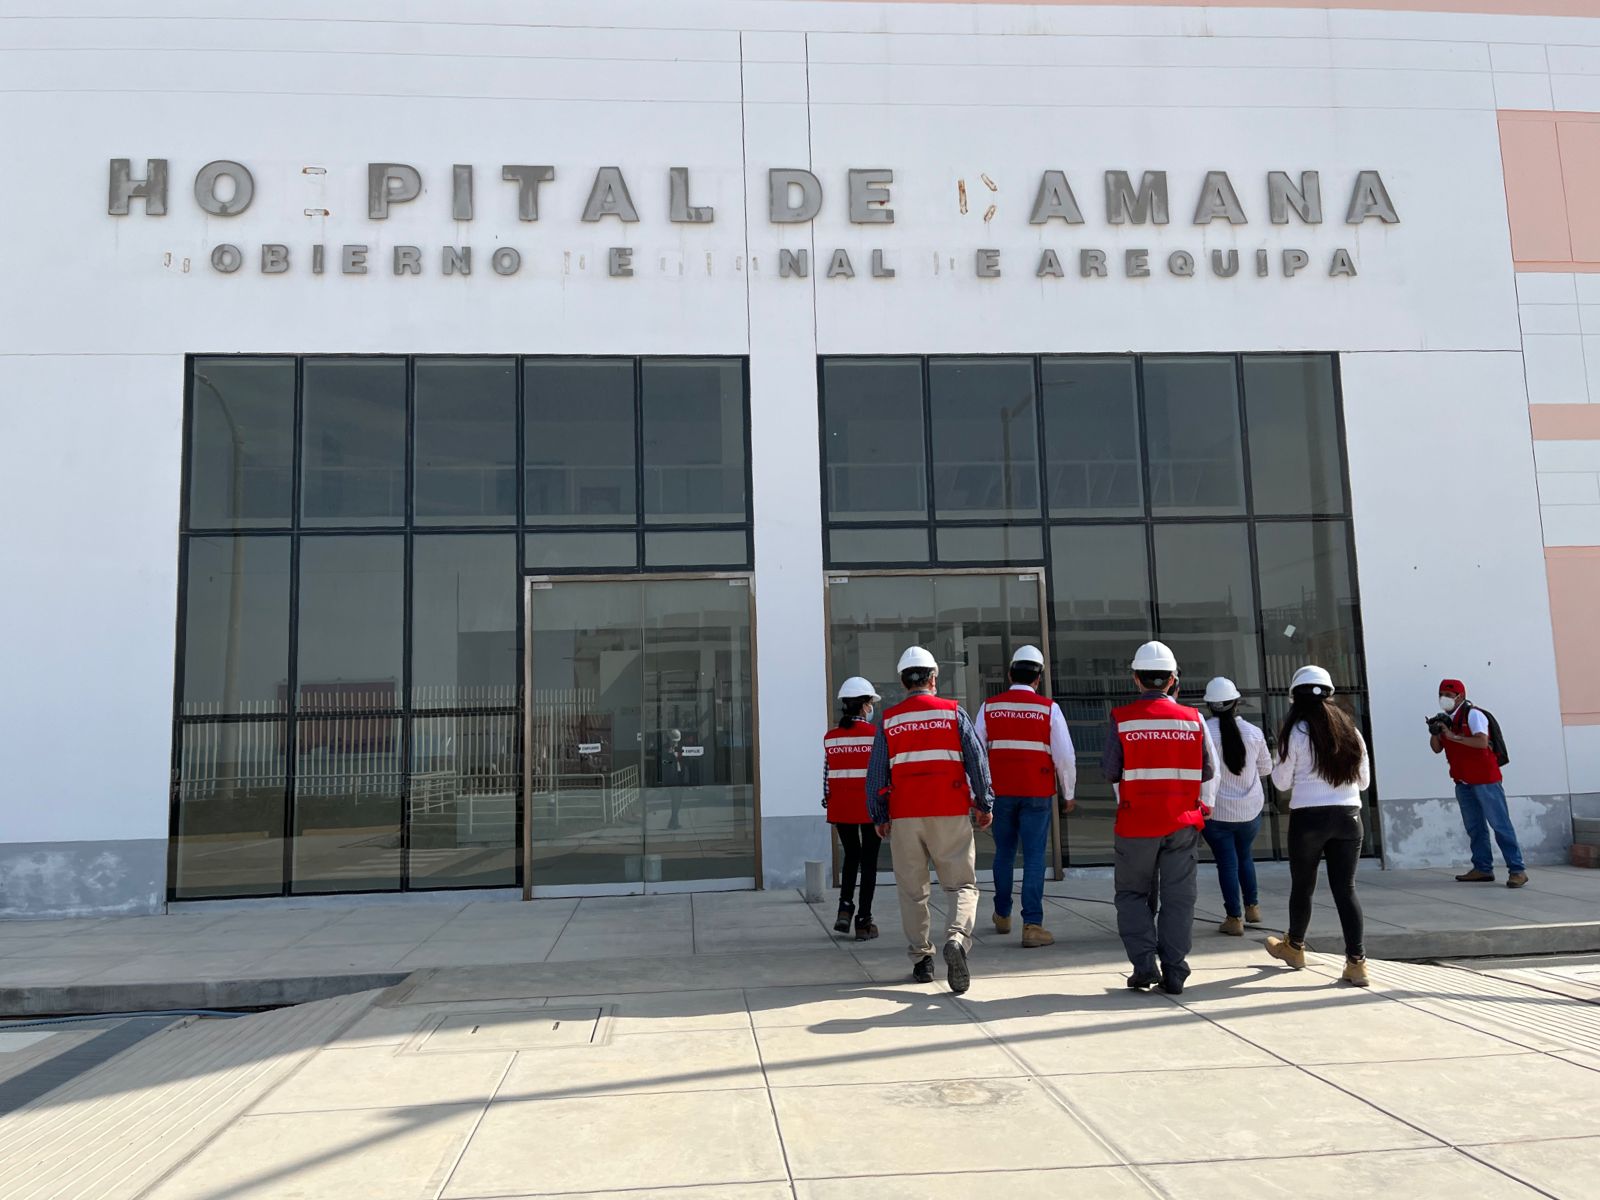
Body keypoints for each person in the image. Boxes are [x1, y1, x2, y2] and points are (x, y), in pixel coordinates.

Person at [865, 646, 995, 994]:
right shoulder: (954, 713)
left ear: (903, 682)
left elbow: (876, 774)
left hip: (906, 816)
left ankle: (922, 960)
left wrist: (879, 815)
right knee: (962, 885)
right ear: (933, 678)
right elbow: (977, 762)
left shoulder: (889, 720)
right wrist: (984, 803)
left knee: (912, 892)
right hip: (950, 811)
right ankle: (956, 938)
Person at [1101, 640, 1216, 996]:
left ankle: (1143, 965)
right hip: (1181, 824)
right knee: (1179, 898)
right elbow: (1209, 771)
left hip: (1136, 824)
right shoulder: (1194, 719)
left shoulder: (1122, 719)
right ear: (1172, 680)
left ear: (1136, 679)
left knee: (1133, 894)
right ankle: (1176, 971)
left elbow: (1109, 771)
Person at [1265, 666, 1372, 987]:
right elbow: (1364, 782)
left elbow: (1282, 780)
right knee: (1346, 889)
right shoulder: (1350, 730)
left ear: (1294, 698)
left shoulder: (1294, 731)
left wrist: (1279, 758)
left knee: (1303, 885)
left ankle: (1295, 947)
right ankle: (1357, 963)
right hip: (1349, 817)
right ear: (1330, 694)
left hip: (1308, 818)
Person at [974, 645, 1076, 948]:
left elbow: (977, 753)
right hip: (1037, 792)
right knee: (1033, 857)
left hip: (1000, 793)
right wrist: (1068, 792)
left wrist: (977, 795)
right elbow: (1065, 756)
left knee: (1004, 853)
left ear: (1009, 674)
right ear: (1039, 678)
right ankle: (1032, 924)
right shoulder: (1049, 709)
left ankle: (1002, 914)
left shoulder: (989, 707)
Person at [1431, 678, 1527, 888]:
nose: (1444, 699)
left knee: (1499, 824)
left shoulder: (1473, 715)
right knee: (1475, 827)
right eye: (1442, 695)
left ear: (1460, 697)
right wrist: (1436, 732)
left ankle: (1517, 869)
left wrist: (1452, 736)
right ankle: (1482, 868)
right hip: (1462, 780)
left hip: (1485, 779)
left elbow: (1482, 741)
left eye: (1449, 695)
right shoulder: (1445, 720)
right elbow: (1437, 749)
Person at [1201, 676, 1273, 936]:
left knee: (1227, 863)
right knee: (1245, 856)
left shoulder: (1204, 732)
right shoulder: (1254, 733)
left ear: (1209, 705)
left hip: (1215, 812)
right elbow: (1266, 768)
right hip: (1249, 811)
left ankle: (1234, 918)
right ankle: (1253, 907)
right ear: (1236, 703)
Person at [823, 676, 883, 941]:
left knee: (850, 857)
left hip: (842, 808)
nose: (872, 709)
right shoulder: (876, 736)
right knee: (869, 862)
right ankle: (864, 921)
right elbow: (883, 774)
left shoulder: (831, 737)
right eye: (871, 704)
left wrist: (828, 801)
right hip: (870, 809)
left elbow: (826, 778)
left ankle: (844, 908)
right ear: (865, 706)